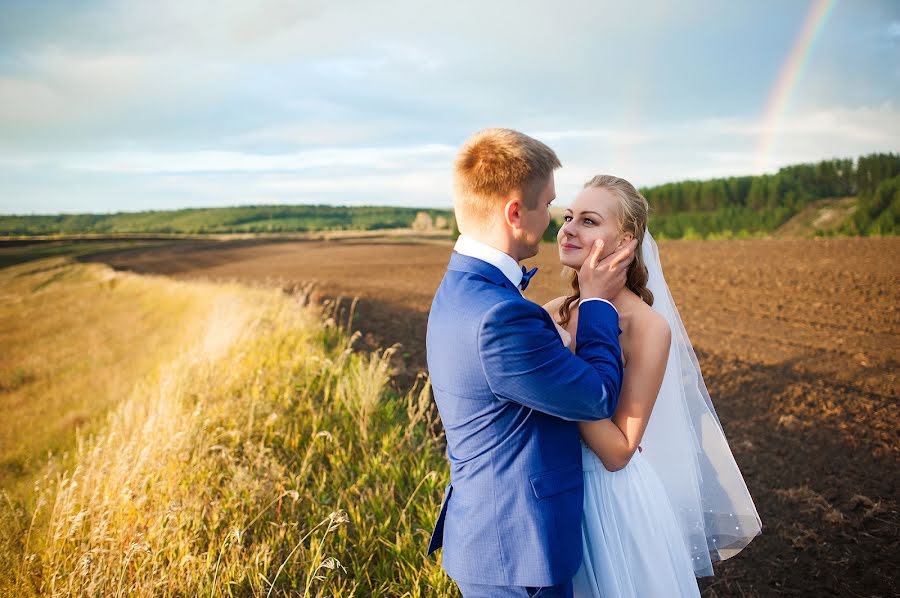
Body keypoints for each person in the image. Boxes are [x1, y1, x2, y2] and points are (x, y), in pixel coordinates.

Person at [426, 129, 637, 597]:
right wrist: (597, 304)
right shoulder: (500, 315)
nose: (555, 224)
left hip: (497, 539)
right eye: (549, 206)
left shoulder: (463, 286)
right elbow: (597, 395)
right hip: (518, 555)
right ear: (516, 213)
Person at [545, 175, 762, 598]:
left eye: (588, 220)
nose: (568, 228)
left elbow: (619, 450)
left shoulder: (647, 327)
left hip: (608, 507)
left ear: (626, 241)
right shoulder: (551, 312)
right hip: (553, 494)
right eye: (568, 216)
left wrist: (557, 380)